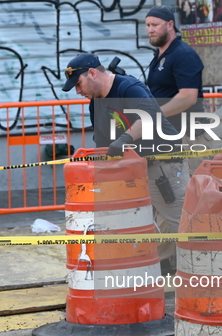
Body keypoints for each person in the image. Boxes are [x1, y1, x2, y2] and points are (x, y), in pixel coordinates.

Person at [62, 53, 190, 274]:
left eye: (79, 84)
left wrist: (125, 139)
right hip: (136, 171)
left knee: (180, 222)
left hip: (164, 167)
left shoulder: (128, 87)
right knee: (151, 226)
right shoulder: (96, 104)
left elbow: (151, 116)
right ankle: (161, 269)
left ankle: (200, 275)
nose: (78, 91)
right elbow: (103, 143)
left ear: (92, 73)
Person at [145, 5, 208, 175]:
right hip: (168, 136)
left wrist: (154, 115)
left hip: (188, 136)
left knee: (196, 192)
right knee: (172, 194)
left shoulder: (183, 54)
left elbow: (188, 97)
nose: (150, 30)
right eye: (148, 25)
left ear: (170, 25)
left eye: (155, 25)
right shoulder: (159, 56)